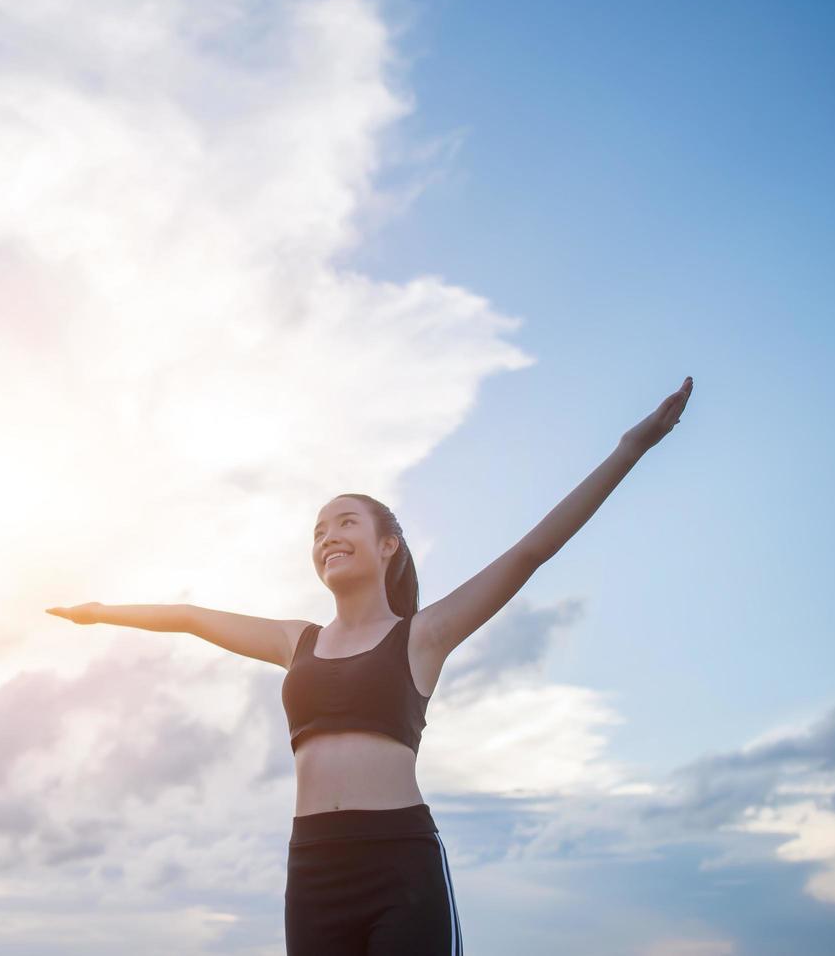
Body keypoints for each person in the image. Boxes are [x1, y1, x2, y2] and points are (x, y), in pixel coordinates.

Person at [47, 376, 695, 954]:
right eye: (318, 530)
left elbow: (531, 551)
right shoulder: (293, 642)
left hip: (398, 863)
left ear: (386, 546)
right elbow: (189, 617)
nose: (327, 535)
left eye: (344, 522)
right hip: (311, 866)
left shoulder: (423, 636)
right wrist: (100, 612)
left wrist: (629, 449)